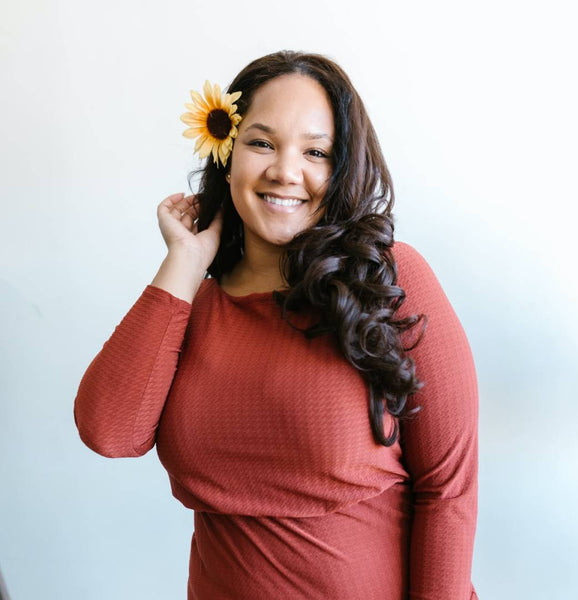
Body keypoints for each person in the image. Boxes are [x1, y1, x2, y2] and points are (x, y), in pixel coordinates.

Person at [74, 50, 479, 600]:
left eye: (316, 151)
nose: (286, 171)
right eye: (262, 143)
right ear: (227, 152)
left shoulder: (389, 280)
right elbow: (109, 432)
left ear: (343, 170)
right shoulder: (190, 306)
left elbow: (448, 490)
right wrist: (184, 264)